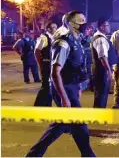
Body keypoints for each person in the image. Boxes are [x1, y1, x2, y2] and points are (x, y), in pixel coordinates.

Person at [26, 10, 95, 157]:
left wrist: (79, 87)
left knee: (62, 125)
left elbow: (77, 66)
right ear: (71, 23)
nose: (84, 23)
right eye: (81, 20)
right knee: (79, 127)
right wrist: (64, 98)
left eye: (84, 20)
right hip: (63, 88)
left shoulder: (77, 40)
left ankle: (33, 155)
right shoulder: (63, 42)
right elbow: (55, 72)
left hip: (72, 87)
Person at [91, 18, 118, 108]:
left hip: (101, 70)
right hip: (102, 70)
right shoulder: (100, 39)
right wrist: (109, 71)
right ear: (102, 27)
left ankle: (99, 115)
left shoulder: (100, 37)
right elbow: (103, 56)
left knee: (101, 94)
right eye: (107, 25)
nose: (109, 27)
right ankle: (99, 116)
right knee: (101, 94)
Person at [33, 22, 57, 106]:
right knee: (46, 85)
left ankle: (46, 104)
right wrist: (40, 64)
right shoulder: (44, 38)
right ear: (48, 29)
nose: (55, 29)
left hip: (51, 65)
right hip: (46, 65)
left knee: (49, 86)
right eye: (53, 27)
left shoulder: (53, 38)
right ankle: (39, 105)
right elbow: (36, 51)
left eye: (56, 27)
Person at [80, 24, 94, 91]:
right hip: (85, 56)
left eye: (91, 29)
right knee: (87, 70)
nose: (90, 30)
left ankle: (91, 85)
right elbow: (82, 43)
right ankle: (88, 85)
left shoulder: (94, 37)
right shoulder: (83, 37)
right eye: (88, 29)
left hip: (92, 56)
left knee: (91, 71)